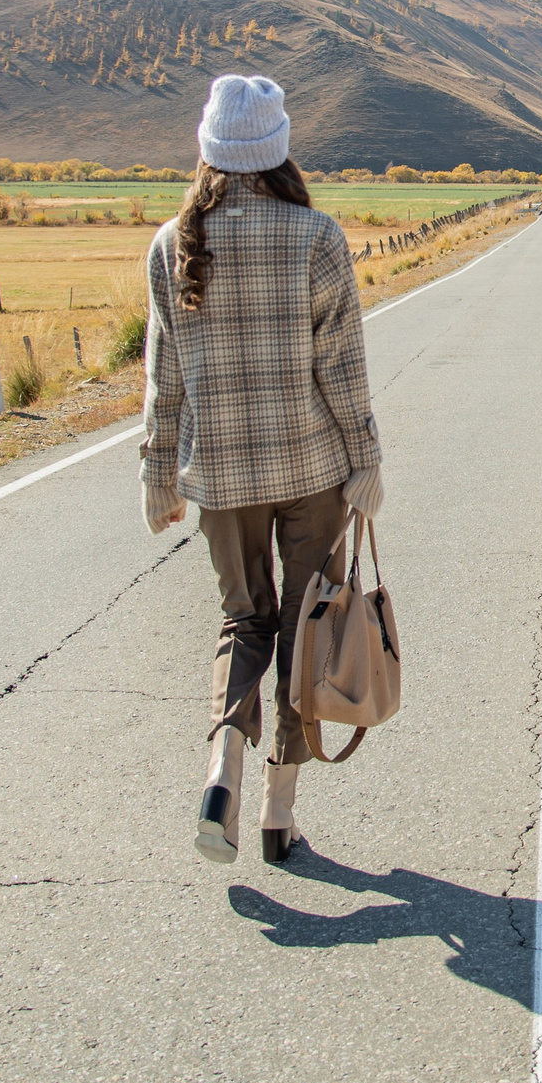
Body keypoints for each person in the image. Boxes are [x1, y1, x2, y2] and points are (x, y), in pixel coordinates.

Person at [140, 74, 385, 866]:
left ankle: (224, 769)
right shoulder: (316, 237)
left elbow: (163, 372)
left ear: (209, 149)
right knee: (304, 629)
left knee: (242, 621)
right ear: (278, 149)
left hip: (219, 473)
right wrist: (367, 458)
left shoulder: (173, 242)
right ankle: (280, 813)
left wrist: (156, 470)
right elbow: (341, 368)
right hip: (312, 467)